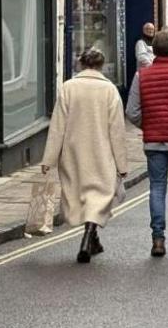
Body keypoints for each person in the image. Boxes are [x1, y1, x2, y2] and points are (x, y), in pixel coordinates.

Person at [41, 48, 128, 264]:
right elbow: (117, 130)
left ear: (81, 64)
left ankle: (90, 238)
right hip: (101, 153)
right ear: (101, 65)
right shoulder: (109, 90)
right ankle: (90, 237)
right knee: (98, 197)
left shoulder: (68, 88)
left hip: (73, 154)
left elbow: (57, 126)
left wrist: (49, 159)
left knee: (81, 196)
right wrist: (122, 164)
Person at [125, 31, 168, 257]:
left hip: (154, 142)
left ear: (153, 51)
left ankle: (158, 239)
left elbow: (131, 112)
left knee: (156, 188)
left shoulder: (141, 76)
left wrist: (148, 126)